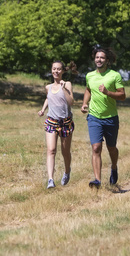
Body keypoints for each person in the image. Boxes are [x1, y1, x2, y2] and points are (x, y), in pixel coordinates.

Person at [81, 46, 126, 188]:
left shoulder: (114, 75)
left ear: (107, 60)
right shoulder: (90, 76)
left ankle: (113, 167)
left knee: (111, 147)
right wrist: (84, 103)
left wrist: (108, 92)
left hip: (111, 117)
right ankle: (97, 180)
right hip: (94, 116)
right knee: (96, 148)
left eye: (102, 57)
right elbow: (88, 89)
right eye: (97, 57)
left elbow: (123, 95)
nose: (99, 60)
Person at [38, 61, 76, 189]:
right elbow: (48, 98)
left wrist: (64, 89)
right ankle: (50, 179)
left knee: (65, 152)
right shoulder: (48, 87)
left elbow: (71, 102)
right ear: (51, 70)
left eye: (59, 69)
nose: (56, 71)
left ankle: (67, 171)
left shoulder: (67, 84)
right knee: (51, 150)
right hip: (51, 121)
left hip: (65, 122)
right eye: (54, 69)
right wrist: (43, 109)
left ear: (62, 71)